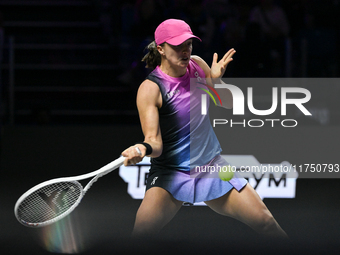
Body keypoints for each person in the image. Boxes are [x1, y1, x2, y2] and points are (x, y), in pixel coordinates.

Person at [121, 19, 287, 240]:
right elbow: (155, 143)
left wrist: (216, 82)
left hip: (211, 167)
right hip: (171, 173)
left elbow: (227, 103)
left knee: (267, 223)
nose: (185, 51)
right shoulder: (151, 89)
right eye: (177, 46)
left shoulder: (198, 66)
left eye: (188, 44)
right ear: (160, 48)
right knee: (139, 237)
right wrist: (141, 150)